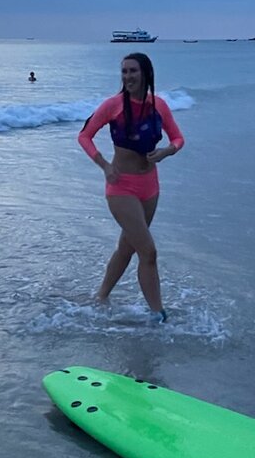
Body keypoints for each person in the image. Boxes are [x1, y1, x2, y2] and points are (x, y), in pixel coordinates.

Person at [78, 53, 185, 321]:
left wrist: (165, 152)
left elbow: (178, 138)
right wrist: (103, 164)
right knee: (148, 251)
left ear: (145, 73)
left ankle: (101, 295)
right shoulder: (112, 105)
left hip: (150, 186)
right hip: (120, 186)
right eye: (124, 72)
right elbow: (85, 136)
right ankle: (158, 315)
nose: (127, 77)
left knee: (128, 247)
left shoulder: (159, 105)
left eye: (133, 71)